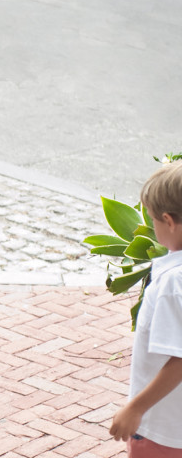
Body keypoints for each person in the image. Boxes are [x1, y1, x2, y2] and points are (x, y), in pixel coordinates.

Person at [110, 161, 182, 457]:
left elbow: (179, 358)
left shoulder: (173, 283)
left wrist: (135, 409)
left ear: (169, 220)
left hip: (163, 429)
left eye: (153, 220)